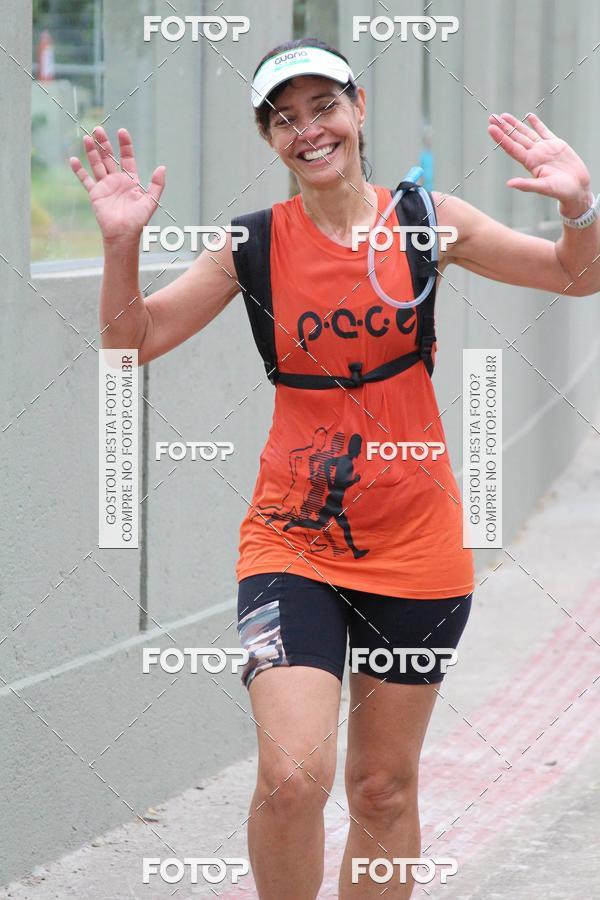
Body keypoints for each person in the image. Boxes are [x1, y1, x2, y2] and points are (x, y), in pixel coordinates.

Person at [70, 34, 600, 900]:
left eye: (324, 108)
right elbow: (129, 343)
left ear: (358, 110)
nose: (308, 131)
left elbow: (577, 279)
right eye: (285, 119)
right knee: (292, 779)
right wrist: (121, 244)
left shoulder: (429, 222)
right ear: (269, 140)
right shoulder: (249, 245)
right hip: (293, 544)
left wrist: (581, 210)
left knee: (382, 788)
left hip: (418, 553)